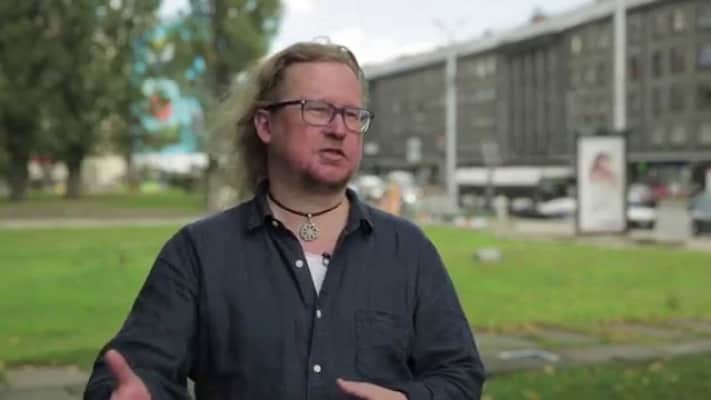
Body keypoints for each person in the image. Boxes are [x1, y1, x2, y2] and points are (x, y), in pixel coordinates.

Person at [84, 41, 486, 400]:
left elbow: (460, 375)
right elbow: (131, 373)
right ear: (265, 125)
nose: (339, 129)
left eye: (352, 114)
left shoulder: (408, 251)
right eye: (318, 110)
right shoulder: (199, 253)